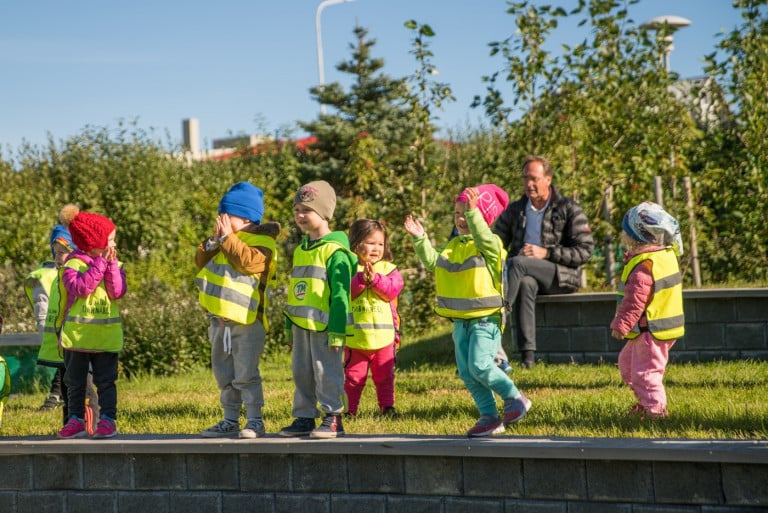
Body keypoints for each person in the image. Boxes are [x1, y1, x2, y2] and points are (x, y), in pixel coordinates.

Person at [404, 184, 531, 437]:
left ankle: (515, 397)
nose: (461, 218)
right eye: (458, 213)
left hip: (486, 319)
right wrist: (420, 239)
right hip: (461, 322)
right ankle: (489, 417)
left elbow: (483, 237)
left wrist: (474, 215)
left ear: (484, 217)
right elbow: (433, 262)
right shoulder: (453, 246)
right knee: (467, 373)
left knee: (481, 365)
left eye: (468, 212)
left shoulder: (492, 243)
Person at [194, 181, 280, 439]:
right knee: (224, 375)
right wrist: (214, 242)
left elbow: (248, 262)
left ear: (243, 216)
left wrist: (226, 239)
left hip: (246, 323)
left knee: (246, 374)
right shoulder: (224, 241)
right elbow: (200, 262)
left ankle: (255, 420)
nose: (219, 220)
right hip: (219, 323)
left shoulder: (263, 242)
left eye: (225, 215)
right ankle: (230, 419)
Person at [493, 155, 595, 368]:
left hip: (562, 277)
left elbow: (585, 251)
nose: (529, 184)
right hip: (526, 275)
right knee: (525, 283)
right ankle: (527, 358)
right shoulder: (516, 210)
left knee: (518, 262)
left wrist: (546, 253)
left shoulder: (568, 208)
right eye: (525, 179)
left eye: (534, 178)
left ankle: (498, 317)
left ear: (548, 179)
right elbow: (495, 243)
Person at [279, 180, 357, 439]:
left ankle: (333, 417)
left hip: (325, 327)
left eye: (306, 210)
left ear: (323, 213)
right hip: (302, 325)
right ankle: (304, 416)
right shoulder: (302, 248)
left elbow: (341, 296)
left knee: (326, 371)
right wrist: (290, 325)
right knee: (302, 372)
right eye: (297, 209)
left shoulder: (336, 251)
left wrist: (337, 330)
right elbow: (297, 290)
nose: (300, 215)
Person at [24, 206, 100, 430]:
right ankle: (71, 425)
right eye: (55, 252)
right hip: (63, 342)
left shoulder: (78, 272)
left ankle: (90, 428)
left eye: (61, 252)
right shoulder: (57, 274)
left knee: (83, 388)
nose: (57, 257)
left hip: (78, 339)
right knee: (69, 388)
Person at [56, 207, 127, 439]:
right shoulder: (72, 265)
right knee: (75, 382)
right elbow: (81, 288)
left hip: (105, 337)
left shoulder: (112, 263)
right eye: (110, 240)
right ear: (93, 242)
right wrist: (100, 265)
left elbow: (117, 291)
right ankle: (75, 419)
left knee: (106, 381)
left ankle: (108, 419)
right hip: (78, 337)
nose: (113, 245)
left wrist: (111, 267)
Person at [610, 201, 685, 420]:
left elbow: (635, 301)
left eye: (625, 232)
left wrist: (621, 325)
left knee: (646, 374)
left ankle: (655, 412)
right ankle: (645, 402)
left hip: (650, 330)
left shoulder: (645, 265)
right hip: (651, 329)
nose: (623, 236)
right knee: (627, 365)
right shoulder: (662, 255)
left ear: (636, 234)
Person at [345, 219, 403, 417]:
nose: (376, 248)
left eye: (380, 244)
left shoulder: (388, 269)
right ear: (356, 243)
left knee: (385, 375)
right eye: (370, 242)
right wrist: (361, 280)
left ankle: (387, 407)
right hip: (355, 339)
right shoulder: (349, 268)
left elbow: (392, 289)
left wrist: (375, 280)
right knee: (353, 378)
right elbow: (345, 293)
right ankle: (349, 410)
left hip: (384, 339)